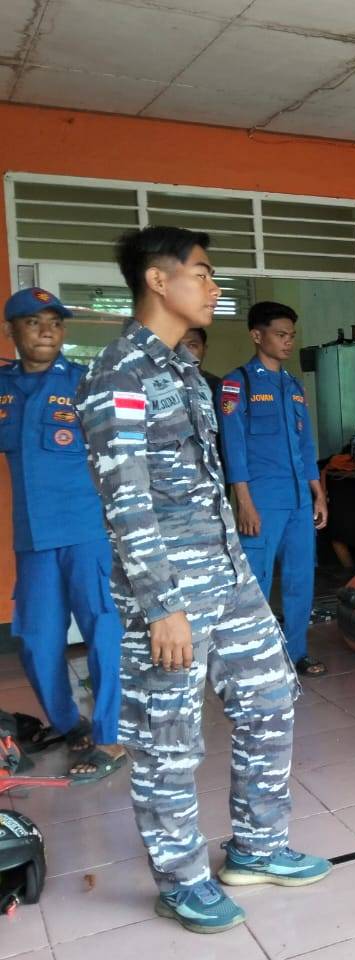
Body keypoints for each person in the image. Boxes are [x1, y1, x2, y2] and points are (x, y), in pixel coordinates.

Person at [75, 227, 330, 935]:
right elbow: (124, 499)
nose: (215, 287)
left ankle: (257, 846)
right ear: (158, 281)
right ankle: (182, 880)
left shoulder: (186, 371)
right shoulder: (119, 373)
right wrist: (162, 607)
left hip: (228, 574)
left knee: (272, 697)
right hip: (170, 593)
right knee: (169, 739)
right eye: (204, 273)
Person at [0, 288, 126, 782]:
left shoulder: (85, 384)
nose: (47, 330)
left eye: (55, 322)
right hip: (33, 539)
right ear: (13, 332)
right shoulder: (4, 388)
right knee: (33, 638)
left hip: (86, 532)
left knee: (104, 632)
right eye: (33, 322)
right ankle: (70, 724)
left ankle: (110, 735)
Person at [218, 301, 328, 676]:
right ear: (256, 335)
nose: (288, 342)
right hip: (262, 502)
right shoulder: (238, 384)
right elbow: (232, 448)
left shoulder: (293, 387)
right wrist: (243, 502)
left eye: (291, 336)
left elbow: (306, 446)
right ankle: (254, 659)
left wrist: (319, 492)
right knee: (256, 582)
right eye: (281, 335)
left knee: (300, 580)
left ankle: (296, 653)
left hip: (299, 501)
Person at [179, 325, 221, 397]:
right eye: (178, 346)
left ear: (204, 350)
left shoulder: (217, 385)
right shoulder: (159, 383)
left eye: (192, 345)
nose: (184, 352)